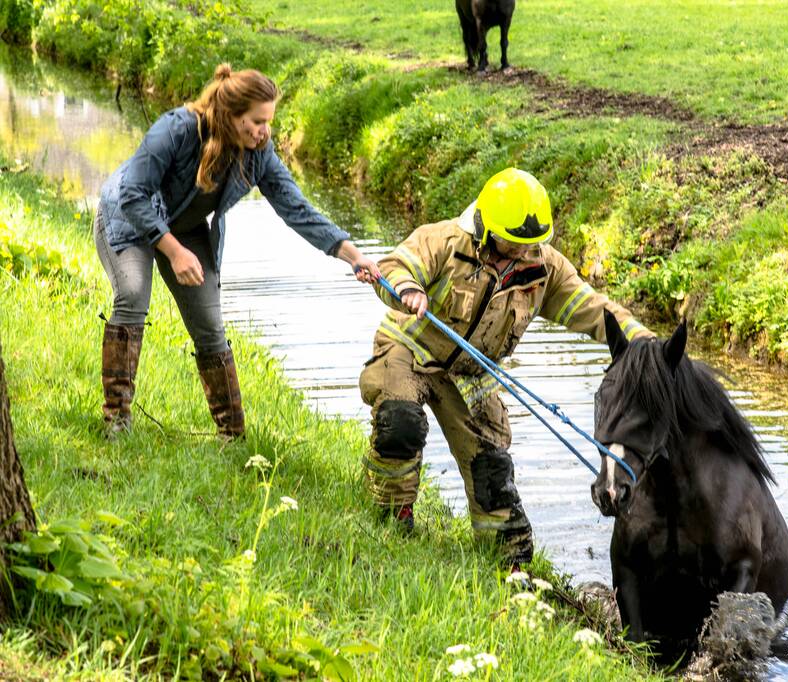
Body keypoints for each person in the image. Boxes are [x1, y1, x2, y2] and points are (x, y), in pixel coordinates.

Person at [361, 167, 653, 566]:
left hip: (473, 376)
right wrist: (409, 289)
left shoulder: (543, 267)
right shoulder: (443, 240)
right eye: (512, 243)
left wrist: (647, 343)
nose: (521, 254)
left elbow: (592, 309)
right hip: (410, 352)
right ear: (485, 228)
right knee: (401, 422)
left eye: (530, 245)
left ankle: (505, 565)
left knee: (493, 473)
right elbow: (392, 268)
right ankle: (392, 518)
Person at [95, 63, 380, 439]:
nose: (265, 132)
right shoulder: (177, 129)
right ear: (231, 116)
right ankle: (117, 421)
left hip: (183, 228)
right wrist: (175, 252)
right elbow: (132, 194)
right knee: (132, 294)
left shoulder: (259, 153)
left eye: (269, 122)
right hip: (130, 217)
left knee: (210, 326)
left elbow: (296, 208)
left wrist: (353, 254)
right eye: (258, 121)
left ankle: (233, 436)